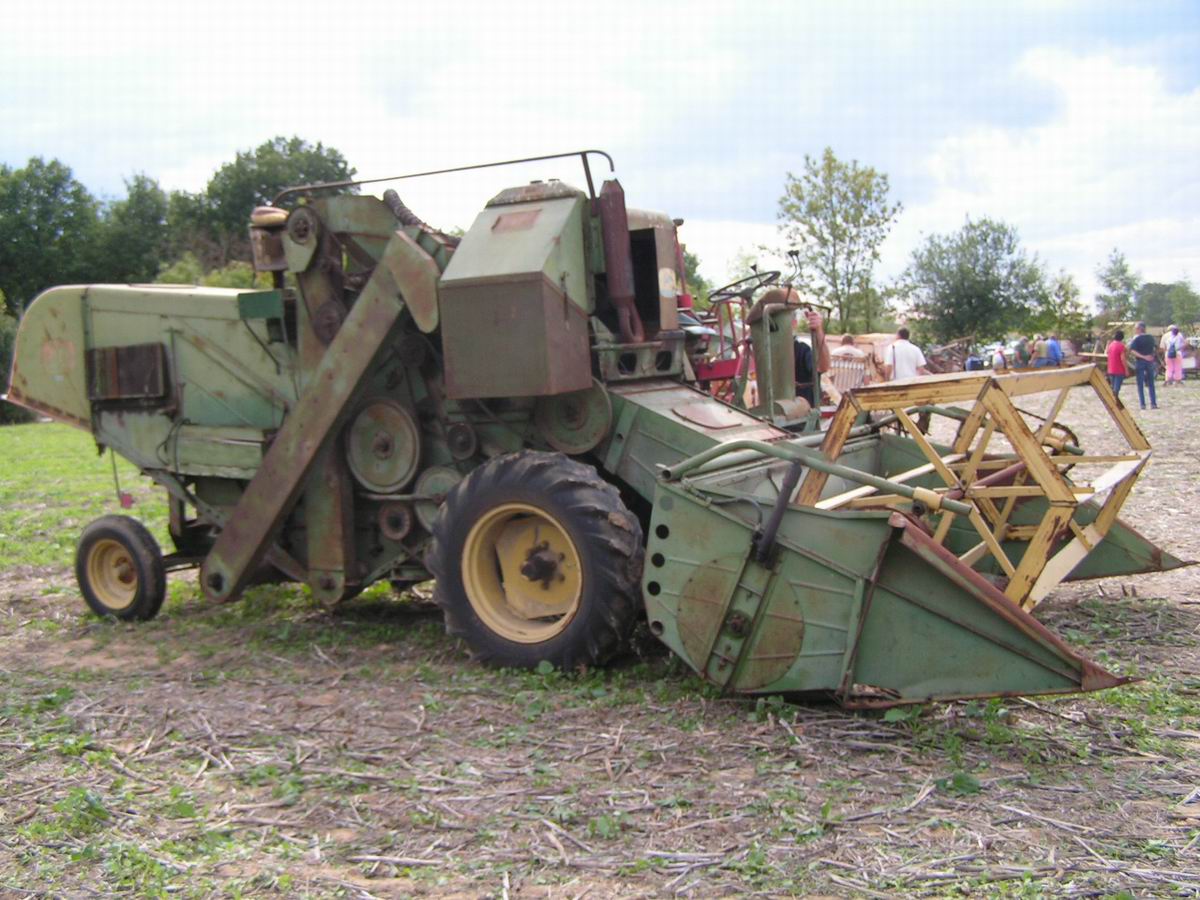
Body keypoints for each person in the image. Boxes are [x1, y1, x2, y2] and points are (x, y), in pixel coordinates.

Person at [793, 308, 831, 407]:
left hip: (805, 412)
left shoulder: (802, 350)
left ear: (794, 323)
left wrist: (818, 330)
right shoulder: (766, 351)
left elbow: (823, 366)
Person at [1128, 321, 1159, 409]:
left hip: (1140, 361)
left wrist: (1143, 356)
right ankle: (1153, 403)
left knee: (1140, 384)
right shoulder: (1151, 338)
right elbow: (1156, 348)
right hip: (1150, 361)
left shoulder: (1137, 339)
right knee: (1151, 383)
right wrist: (1151, 356)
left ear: (1139, 329)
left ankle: (1142, 404)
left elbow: (1132, 350)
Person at [1106, 329, 1128, 397]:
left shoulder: (1111, 345)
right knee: (1116, 389)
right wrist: (1126, 369)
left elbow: (1107, 352)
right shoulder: (1121, 346)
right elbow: (1123, 358)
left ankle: (1113, 399)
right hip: (1119, 370)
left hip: (1111, 369)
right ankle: (1114, 400)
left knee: (1113, 387)